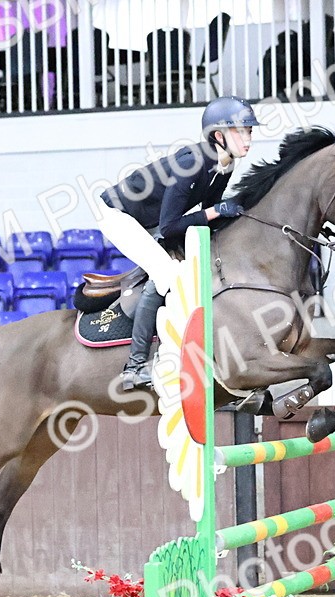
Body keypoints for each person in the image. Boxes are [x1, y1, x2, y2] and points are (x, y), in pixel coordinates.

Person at [97, 95, 259, 391]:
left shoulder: (226, 164)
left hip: (151, 218)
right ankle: (134, 366)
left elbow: (207, 212)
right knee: (166, 274)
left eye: (249, 131)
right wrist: (216, 211)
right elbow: (172, 225)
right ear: (219, 135)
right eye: (241, 131)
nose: (248, 138)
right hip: (119, 216)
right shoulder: (192, 162)